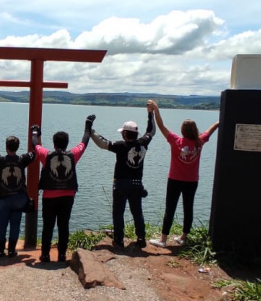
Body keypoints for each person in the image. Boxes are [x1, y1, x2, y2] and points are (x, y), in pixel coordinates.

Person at [149, 101, 220, 248]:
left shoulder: (176, 141)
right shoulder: (199, 142)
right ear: (195, 130)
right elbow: (210, 130)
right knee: (189, 208)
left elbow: (161, 126)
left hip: (174, 179)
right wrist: (221, 120)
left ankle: (163, 240)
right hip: (192, 181)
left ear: (182, 131)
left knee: (170, 208)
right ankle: (183, 237)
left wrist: (156, 109)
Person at [90, 102, 156, 250]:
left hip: (120, 184)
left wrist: (90, 130)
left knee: (118, 212)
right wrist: (150, 114)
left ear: (126, 133)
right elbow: (151, 131)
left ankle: (119, 240)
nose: (121, 134)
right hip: (136, 184)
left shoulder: (121, 146)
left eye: (122, 132)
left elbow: (103, 143)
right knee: (137, 212)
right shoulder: (143, 143)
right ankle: (141, 238)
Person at [34, 115, 94, 262]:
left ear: (54, 144)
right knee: (63, 225)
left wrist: (35, 132)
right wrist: (88, 125)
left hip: (49, 197)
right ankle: (61, 254)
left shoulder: (46, 155)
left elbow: (35, 144)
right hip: (68, 196)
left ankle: (45, 254)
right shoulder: (73, 155)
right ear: (67, 144)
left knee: (48, 226)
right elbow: (84, 141)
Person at [0, 127, 36, 258]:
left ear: (6, 147)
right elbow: (36, 152)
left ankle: (0, 250)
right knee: (15, 224)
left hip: (2, 199)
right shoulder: (22, 159)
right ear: (17, 147)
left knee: (1, 224)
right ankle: (11, 250)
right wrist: (36, 136)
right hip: (19, 199)